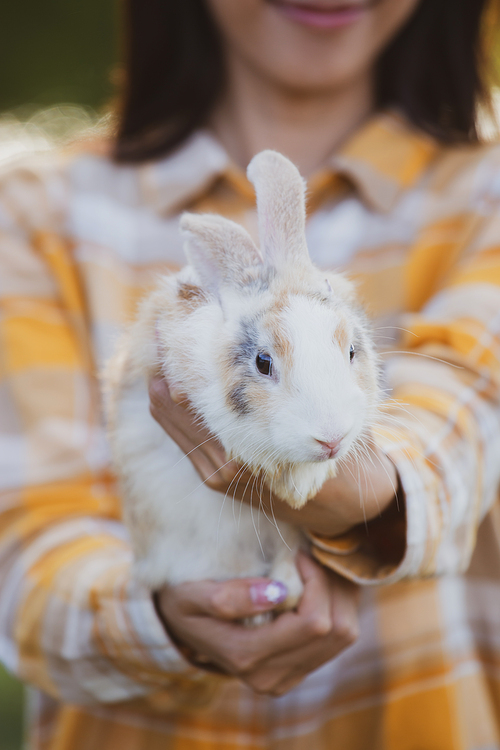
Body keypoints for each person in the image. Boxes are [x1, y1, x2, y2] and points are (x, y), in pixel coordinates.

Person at [1, 0, 500, 748]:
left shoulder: (484, 196)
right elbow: (24, 551)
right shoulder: (34, 214)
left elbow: (467, 406)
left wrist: (364, 494)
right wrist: (157, 622)